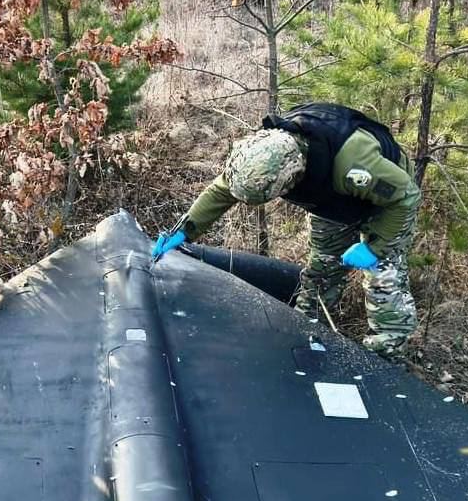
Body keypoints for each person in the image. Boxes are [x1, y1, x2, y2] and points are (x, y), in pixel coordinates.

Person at [152, 102, 420, 359]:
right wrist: (185, 230)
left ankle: (387, 355)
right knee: (322, 268)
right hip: (334, 203)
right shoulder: (260, 156)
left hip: (388, 207)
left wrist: (374, 247)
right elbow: (222, 191)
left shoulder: (354, 165)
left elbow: (405, 197)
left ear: (291, 178)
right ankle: (306, 333)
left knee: (384, 279)